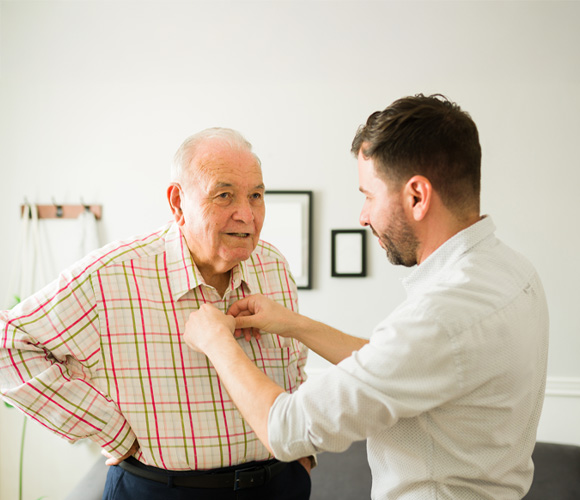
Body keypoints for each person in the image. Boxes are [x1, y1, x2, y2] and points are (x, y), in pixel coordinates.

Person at [183, 95, 550, 499]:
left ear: (416, 196)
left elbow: (286, 430)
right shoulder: (512, 271)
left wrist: (216, 342)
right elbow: (408, 365)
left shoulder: (441, 315)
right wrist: (296, 324)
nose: (362, 216)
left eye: (369, 195)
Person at [0, 128, 312, 499]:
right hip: (163, 490)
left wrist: (303, 456)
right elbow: (9, 344)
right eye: (224, 195)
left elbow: (293, 368)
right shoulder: (112, 275)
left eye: (256, 196)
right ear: (178, 202)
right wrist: (111, 431)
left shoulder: (273, 265)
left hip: (277, 485)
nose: (246, 215)